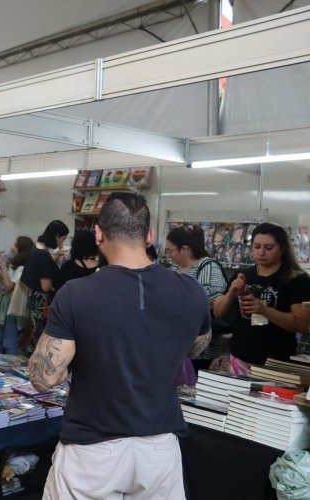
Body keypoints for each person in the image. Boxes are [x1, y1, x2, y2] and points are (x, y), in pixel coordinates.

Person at [29, 193, 212, 499]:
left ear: (98, 234)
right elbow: (196, 347)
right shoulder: (191, 291)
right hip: (159, 451)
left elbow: (43, 377)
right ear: (150, 236)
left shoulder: (76, 293)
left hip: (92, 451)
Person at [213, 222, 310, 370]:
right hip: (240, 358)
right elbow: (218, 312)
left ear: (282, 248)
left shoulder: (297, 280)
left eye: (269, 248)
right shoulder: (243, 275)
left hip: (276, 362)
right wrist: (231, 294)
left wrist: (265, 311)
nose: (261, 253)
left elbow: (302, 324)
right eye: (257, 247)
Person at [166, 224, 228, 369]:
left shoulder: (208, 267)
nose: (168, 255)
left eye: (171, 251)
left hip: (200, 348)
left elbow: (214, 302)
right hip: (175, 345)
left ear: (185, 249)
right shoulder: (173, 269)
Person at [20, 223, 60, 341]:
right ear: (56, 236)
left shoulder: (36, 249)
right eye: (62, 239)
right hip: (43, 302)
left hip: (35, 298)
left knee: (35, 331)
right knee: (41, 334)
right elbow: (45, 286)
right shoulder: (43, 254)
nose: (61, 243)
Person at [0, 236, 33, 355]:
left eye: (15, 245)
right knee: (1, 338)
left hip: (13, 307)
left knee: (9, 340)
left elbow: (8, 287)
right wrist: (1, 269)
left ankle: (10, 365)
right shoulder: (16, 265)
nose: (13, 247)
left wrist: (4, 270)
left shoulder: (22, 269)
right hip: (7, 305)